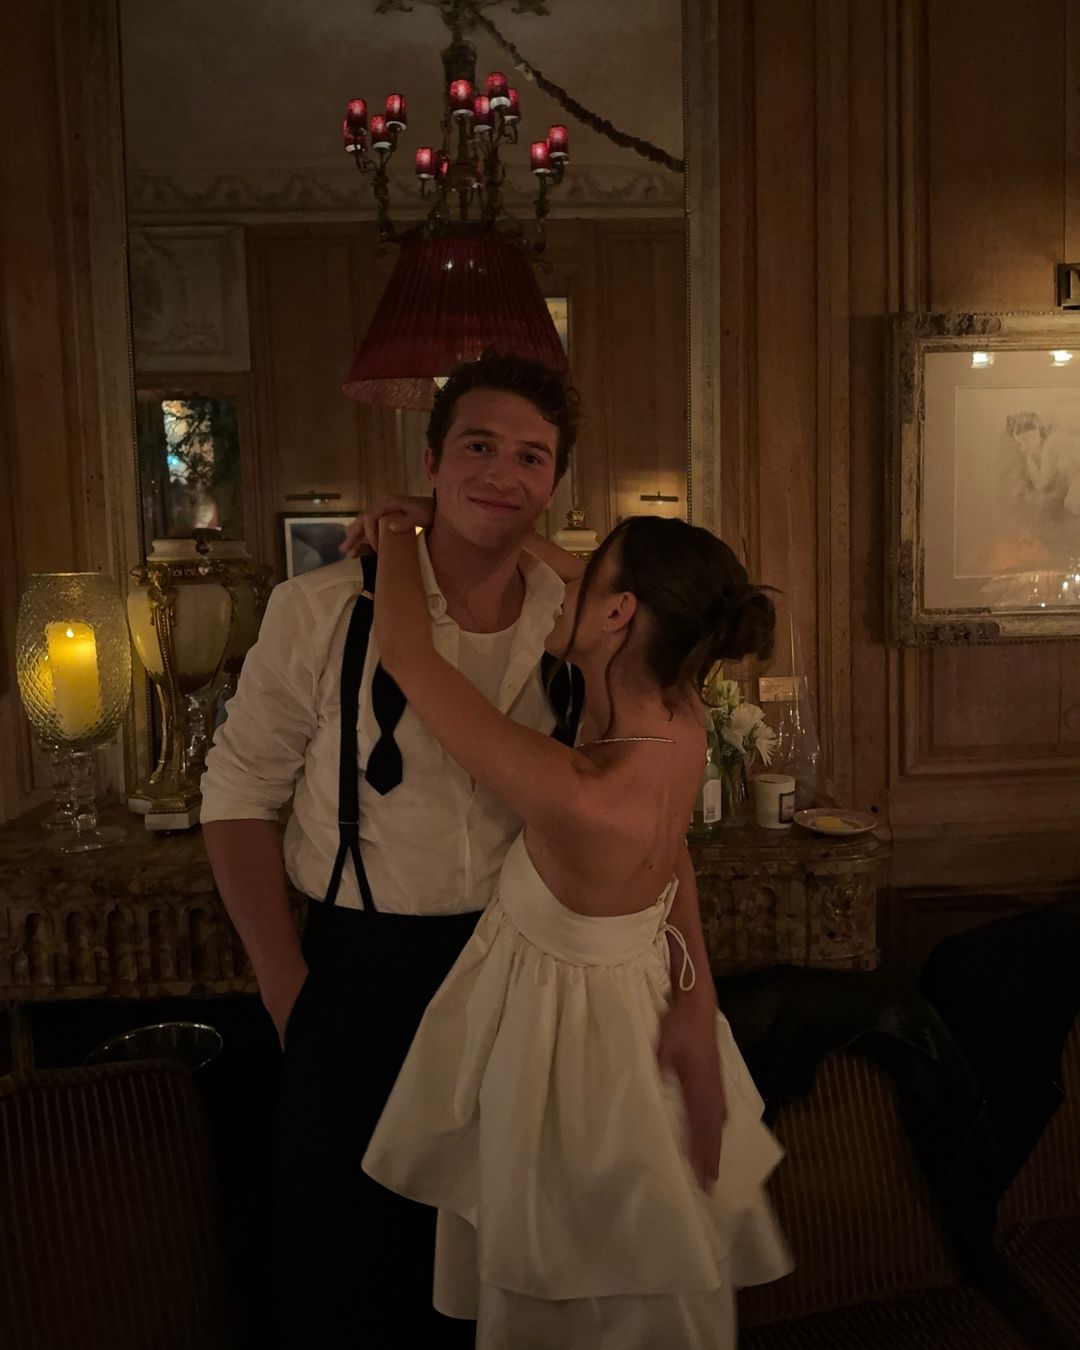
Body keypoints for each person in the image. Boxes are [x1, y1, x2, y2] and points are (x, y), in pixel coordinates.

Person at [199, 350, 729, 1348]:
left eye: (531, 457)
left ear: (554, 482)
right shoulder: (320, 611)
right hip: (359, 979)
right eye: (478, 446)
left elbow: (654, 838)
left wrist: (694, 998)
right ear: (432, 461)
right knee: (349, 1277)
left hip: (522, 986)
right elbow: (235, 796)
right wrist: (285, 988)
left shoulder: (584, 626)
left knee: (504, 1285)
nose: (502, 473)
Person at [362, 510, 792, 1349]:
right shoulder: (679, 718)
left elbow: (409, 656)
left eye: (587, 573)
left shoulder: (577, 787)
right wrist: (697, 999)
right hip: (645, 996)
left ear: (620, 613)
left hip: (569, 1046)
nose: (561, 579)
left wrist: (399, 535)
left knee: (583, 1281)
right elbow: (674, 860)